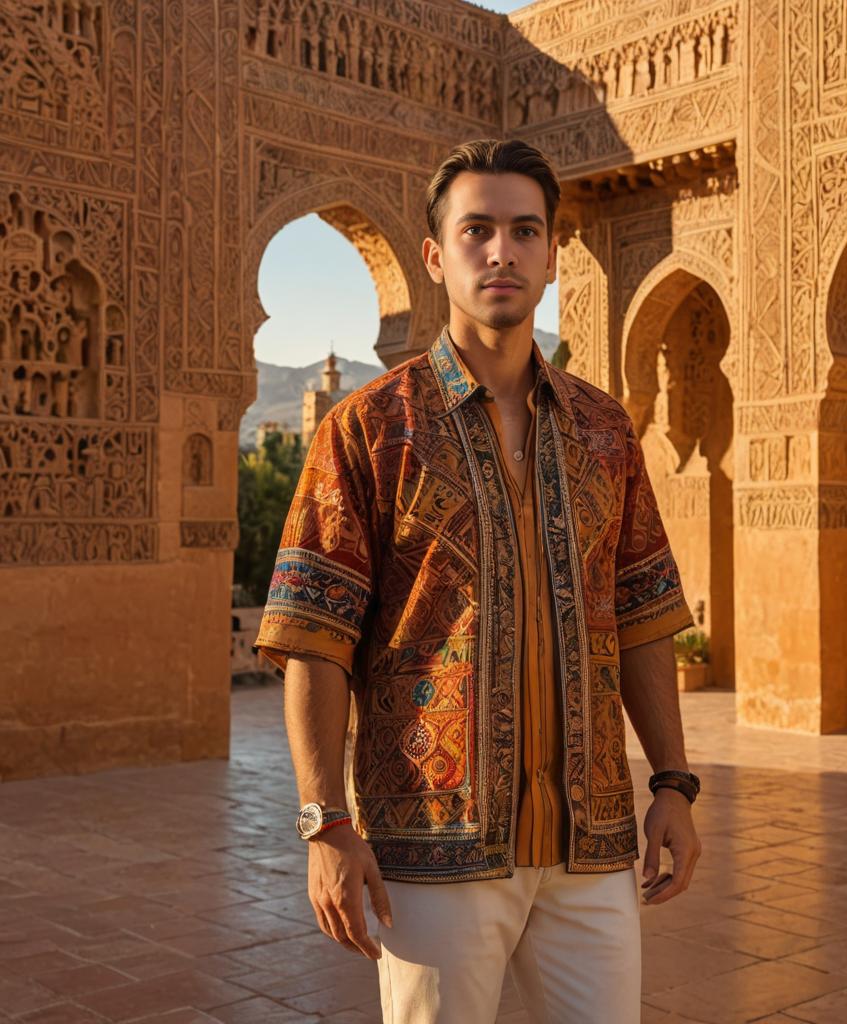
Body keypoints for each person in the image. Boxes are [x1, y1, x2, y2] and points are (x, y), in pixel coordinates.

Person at [254, 138, 702, 1024]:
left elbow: (644, 617)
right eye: (478, 230)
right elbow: (314, 638)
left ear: (551, 254)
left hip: (594, 845)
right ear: (435, 255)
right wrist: (324, 823)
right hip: (435, 852)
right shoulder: (369, 431)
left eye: (525, 231)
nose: (502, 252)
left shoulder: (604, 431)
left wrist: (674, 786)